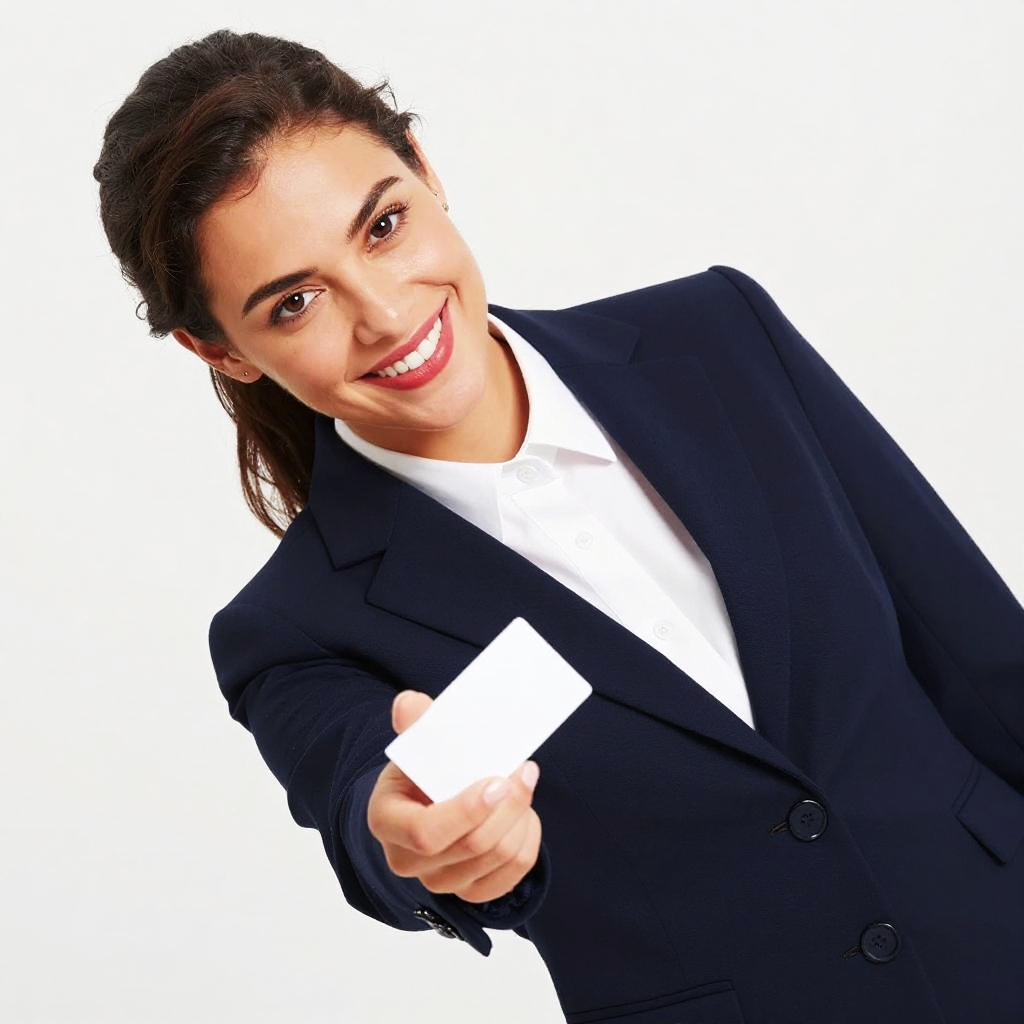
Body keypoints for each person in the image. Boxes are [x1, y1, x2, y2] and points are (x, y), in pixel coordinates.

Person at [93, 28, 1024, 1024]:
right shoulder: (292, 630)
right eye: (295, 302)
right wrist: (412, 836)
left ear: (425, 168)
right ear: (218, 349)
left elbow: (977, 655)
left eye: (382, 225)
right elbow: (369, 804)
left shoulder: (714, 335)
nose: (384, 313)